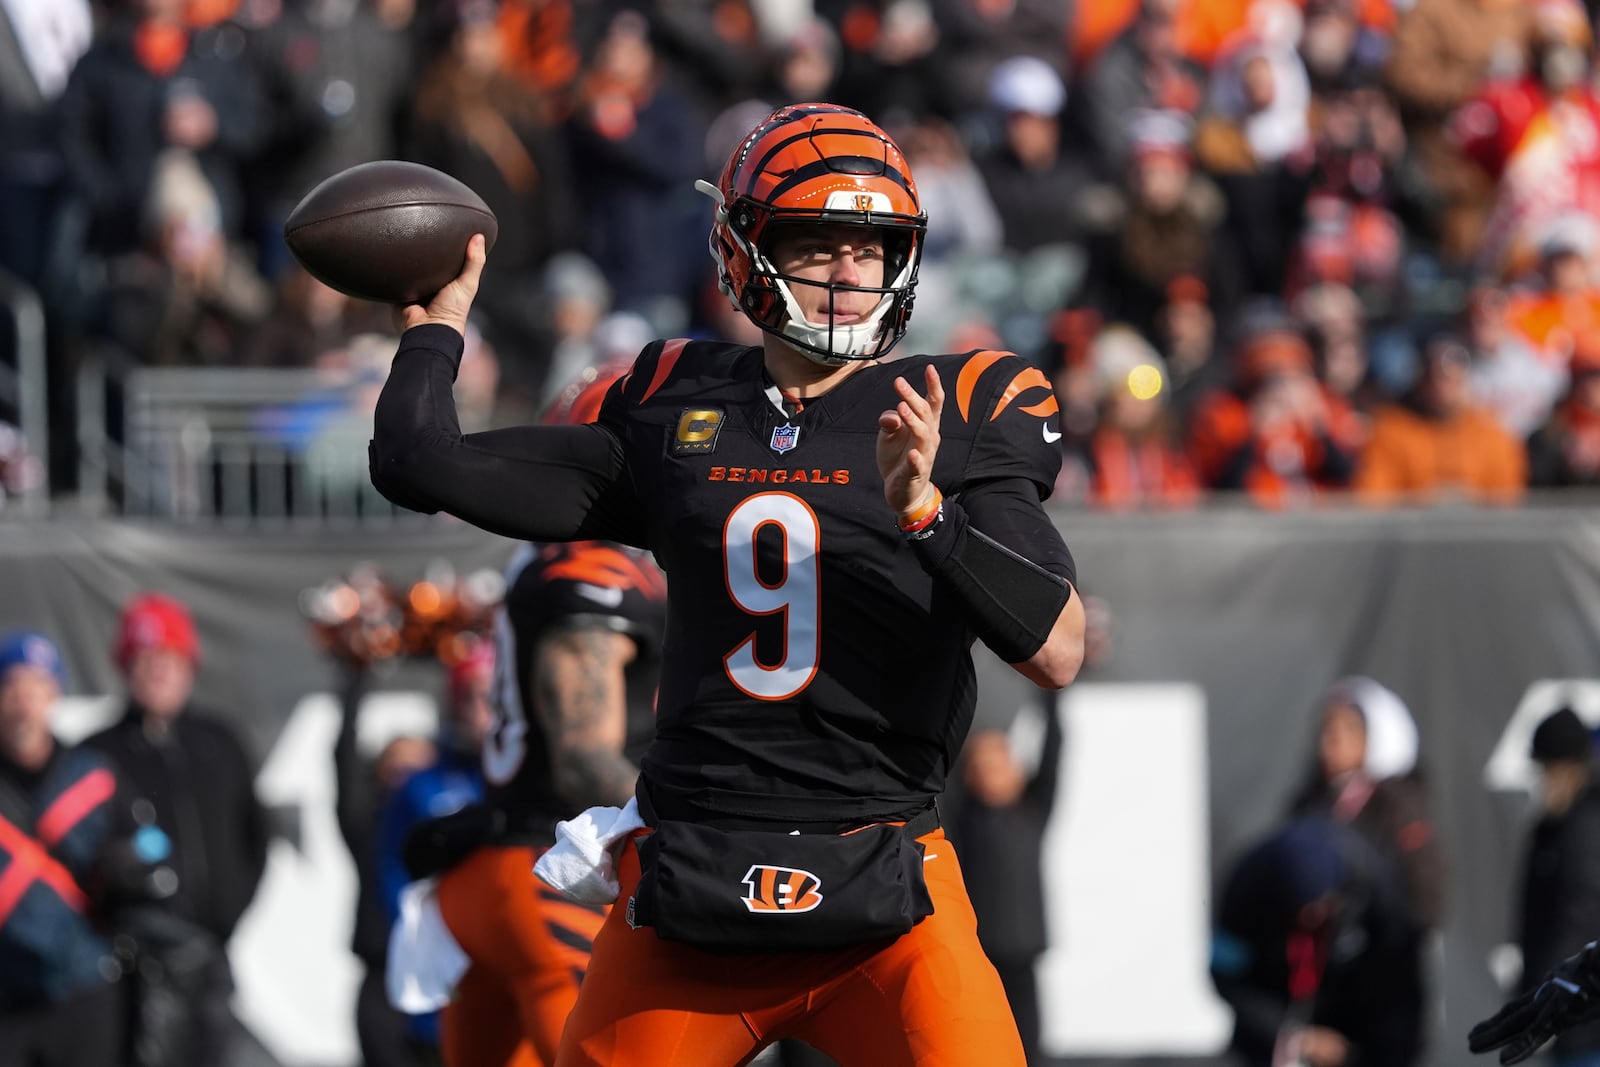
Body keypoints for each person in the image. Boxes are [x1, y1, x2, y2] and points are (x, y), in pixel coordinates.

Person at [368, 101, 1086, 1066]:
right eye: (815, 243)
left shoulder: (956, 405)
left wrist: (928, 513)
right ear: (744, 249)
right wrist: (434, 333)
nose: (846, 273)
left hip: (886, 885)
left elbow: (1055, 645)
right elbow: (422, 461)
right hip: (694, 887)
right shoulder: (672, 403)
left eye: (868, 247)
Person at [398, 363, 668, 1067]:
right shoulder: (594, 567)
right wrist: (695, 828)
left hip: (493, 876)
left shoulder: (543, 556)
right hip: (553, 875)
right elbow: (584, 756)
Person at [82, 591, 270, 1067]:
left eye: (169, 657)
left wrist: (227, 911)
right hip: (131, 971)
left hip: (211, 958)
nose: (158, 670)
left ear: (190, 665)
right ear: (125, 667)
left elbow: (256, 836)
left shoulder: (219, 742)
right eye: (144, 658)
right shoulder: (98, 755)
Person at [0, 629, 158, 1067]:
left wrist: (131, 866)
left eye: (35, 686)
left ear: (54, 694)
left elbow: (153, 843)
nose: (23, 701)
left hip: (86, 983)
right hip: (8, 994)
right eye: (10, 686)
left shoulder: (93, 777)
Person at [1211, 816, 1426, 1067]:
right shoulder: (1246, 887)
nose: (1313, 919)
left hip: (1356, 1013)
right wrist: (1295, 1038)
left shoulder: (1375, 884)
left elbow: (1399, 982)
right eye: (1302, 911)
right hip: (1274, 1014)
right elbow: (1228, 975)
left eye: (1321, 908)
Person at [1470, 708, 1600, 1066]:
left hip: (1587, 1028)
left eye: (1546, 769)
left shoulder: (1585, 828)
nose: (1541, 781)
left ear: (1567, 769)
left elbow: (1580, 917)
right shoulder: (1554, 827)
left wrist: (1554, 989)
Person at [947, 698, 1063, 1066]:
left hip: (1022, 950)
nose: (992, 773)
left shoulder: (1031, 812)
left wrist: (1053, 700)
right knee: (978, 1040)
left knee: (1027, 1042)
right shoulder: (962, 819)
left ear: (1016, 772)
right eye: (982, 766)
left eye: (1000, 764)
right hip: (978, 952)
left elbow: (1053, 756)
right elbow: (941, 768)